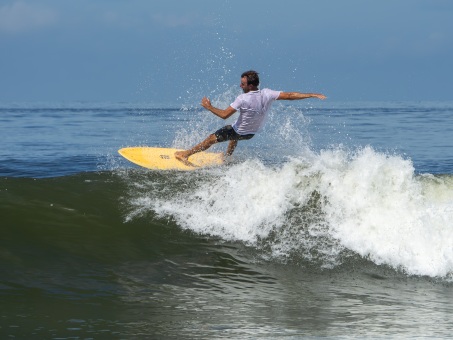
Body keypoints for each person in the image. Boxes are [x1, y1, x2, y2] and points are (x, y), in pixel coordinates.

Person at [175, 70, 326, 166]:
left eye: (243, 84)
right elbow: (290, 96)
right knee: (236, 130)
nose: (241, 86)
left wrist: (209, 106)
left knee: (211, 139)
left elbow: (224, 115)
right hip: (250, 135)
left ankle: (185, 155)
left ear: (251, 86)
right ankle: (227, 157)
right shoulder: (267, 93)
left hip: (240, 132)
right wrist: (311, 94)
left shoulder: (242, 99)